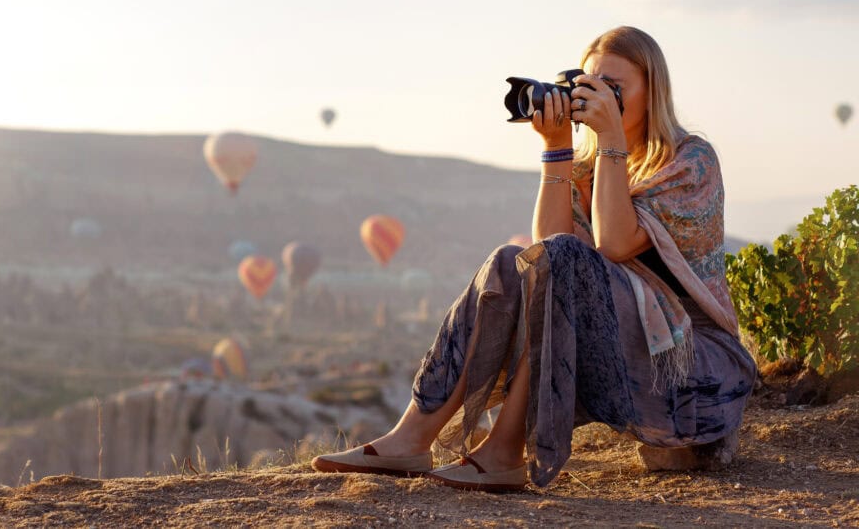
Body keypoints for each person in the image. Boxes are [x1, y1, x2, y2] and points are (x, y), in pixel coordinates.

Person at [312, 26, 757, 492]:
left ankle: (505, 451)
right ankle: (411, 437)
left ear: (654, 92)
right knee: (510, 261)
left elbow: (613, 244)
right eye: (589, 86)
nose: (598, 98)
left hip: (694, 376)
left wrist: (608, 138)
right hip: (627, 356)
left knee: (561, 259)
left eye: (615, 89)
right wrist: (556, 147)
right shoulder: (591, 168)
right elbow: (545, 252)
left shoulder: (690, 160)